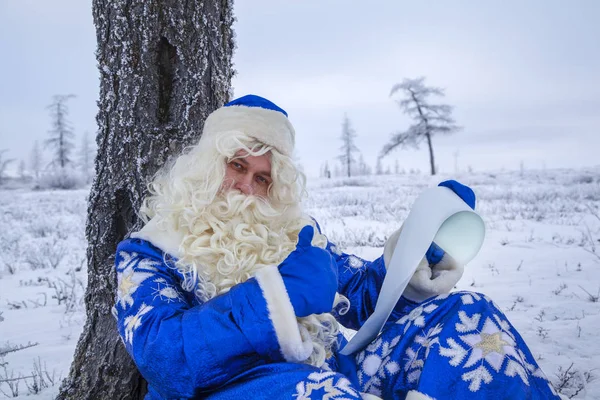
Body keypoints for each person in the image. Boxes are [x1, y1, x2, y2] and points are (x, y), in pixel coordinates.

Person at [113, 95, 562, 399]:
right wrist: (277, 296)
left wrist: (418, 248)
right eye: (237, 166)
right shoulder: (148, 252)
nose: (247, 188)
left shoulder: (293, 235)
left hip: (325, 372)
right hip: (230, 388)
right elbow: (164, 358)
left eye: (263, 177)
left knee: (468, 317)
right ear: (207, 167)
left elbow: (361, 299)